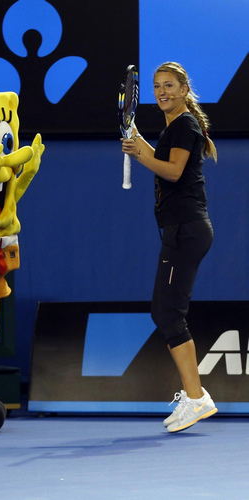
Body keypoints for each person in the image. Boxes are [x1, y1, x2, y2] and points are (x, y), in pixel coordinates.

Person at [121, 62, 218, 432]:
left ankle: (196, 398)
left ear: (183, 90)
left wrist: (140, 155)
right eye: (157, 86)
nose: (162, 92)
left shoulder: (185, 125)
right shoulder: (175, 126)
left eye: (169, 86)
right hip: (182, 230)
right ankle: (194, 396)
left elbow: (173, 171)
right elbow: (163, 159)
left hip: (186, 230)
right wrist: (140, 144)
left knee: (167, 313)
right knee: (165, 311)